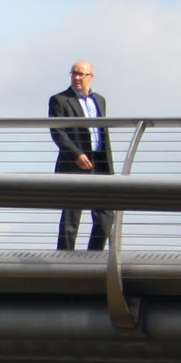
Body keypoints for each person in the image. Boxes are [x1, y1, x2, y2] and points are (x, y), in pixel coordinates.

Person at [50, 60, 112, 251]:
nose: (77, 78)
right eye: (74, 73)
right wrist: (76, 155)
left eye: (81, 74)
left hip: (99, 162)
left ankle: (94, 255)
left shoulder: (99, 100)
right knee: (72, 215)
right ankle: (64, 257)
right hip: (74, 163)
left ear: (91, 77)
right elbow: (57, 132)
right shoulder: (60, 100)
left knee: (105, 214)